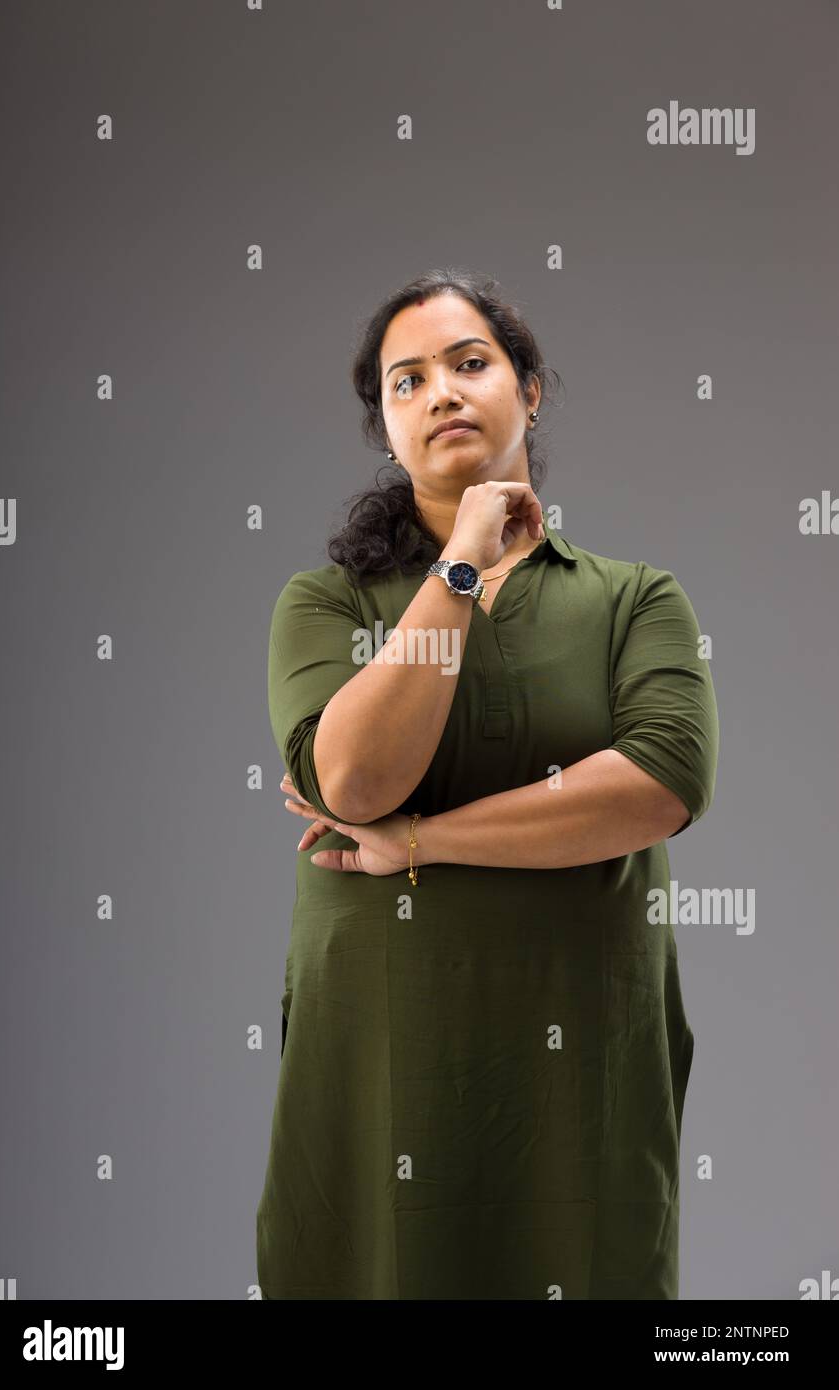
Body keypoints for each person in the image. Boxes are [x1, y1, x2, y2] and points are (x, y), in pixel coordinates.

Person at [255, 268, 720, 1300]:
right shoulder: (327, 602)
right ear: (385, 425)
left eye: (469, 363)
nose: (443, 393)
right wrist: (458, 564)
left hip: (578, 1057)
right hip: (380, 1047)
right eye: (406, 381)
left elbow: (659, 782)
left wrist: (420, 844)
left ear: (529, 388)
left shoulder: (632, 599)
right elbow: (359, 778)